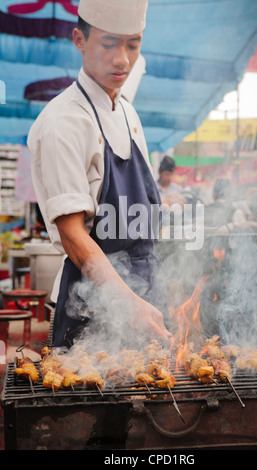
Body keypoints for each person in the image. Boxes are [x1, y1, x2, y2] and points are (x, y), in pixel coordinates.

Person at [27, 0, 172, 348]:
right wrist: (127, 302)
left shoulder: (129, 114)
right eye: (109, 44)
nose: (122, 58)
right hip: (91, 313)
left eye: (132, 44)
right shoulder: (62, 121)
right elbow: (73, 236)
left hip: (147, 305)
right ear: (80, 39)